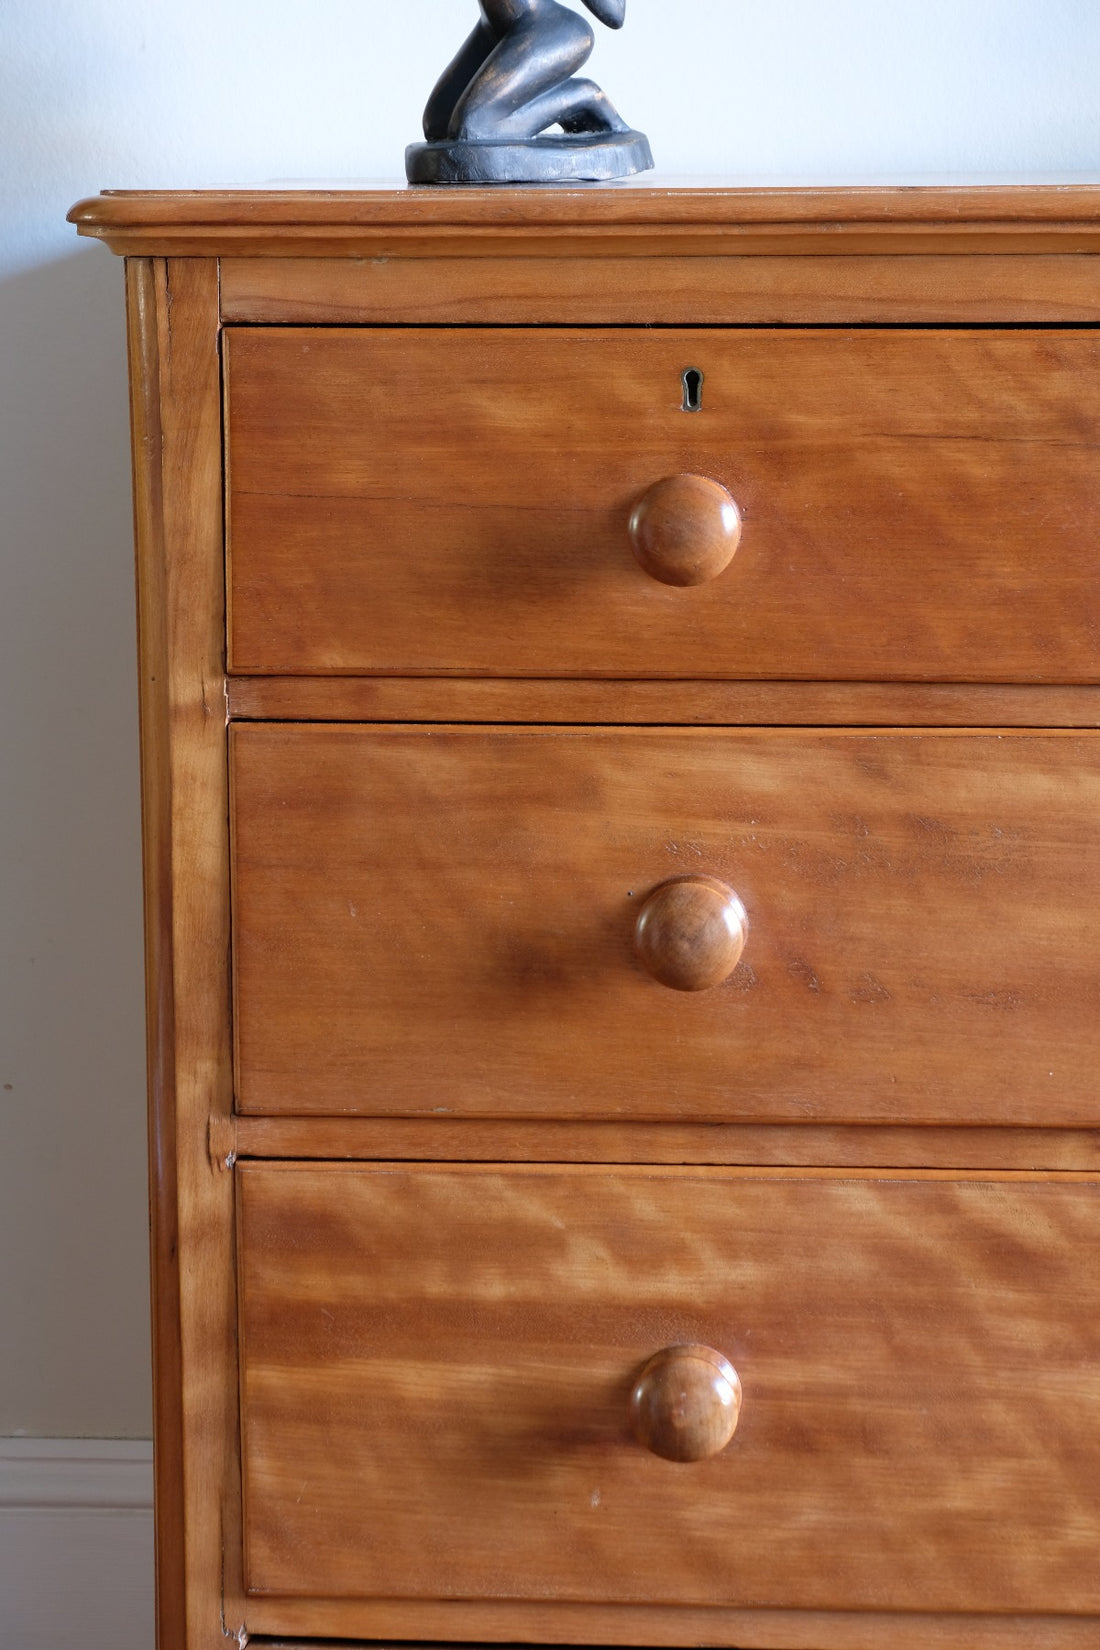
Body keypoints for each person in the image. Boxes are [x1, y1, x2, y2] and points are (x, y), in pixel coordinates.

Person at [423, 0, 632, 145]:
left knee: (474, 129)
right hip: (497, 31)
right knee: (438, 124)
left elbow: (614, 14)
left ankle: (584, 96)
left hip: (549, 29)